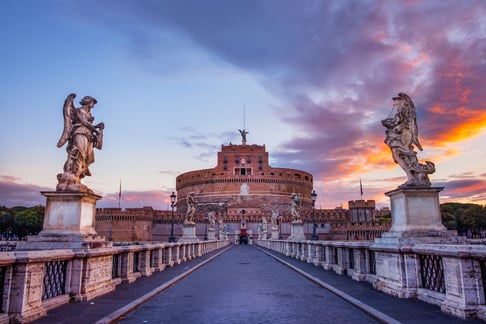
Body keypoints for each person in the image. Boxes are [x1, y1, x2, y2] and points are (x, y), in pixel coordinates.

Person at [57, 93, 104, 192]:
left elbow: (89, 125)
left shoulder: (89, 115)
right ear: (88, 102)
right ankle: (72, 175)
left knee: (89, 157)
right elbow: (84, 122)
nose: (93, 105)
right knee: (79, 153)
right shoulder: (79, 111)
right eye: (92, 103)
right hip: (79, 133)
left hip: (87, 136)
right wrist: (95, 128)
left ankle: (77, 177)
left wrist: (97, 130)